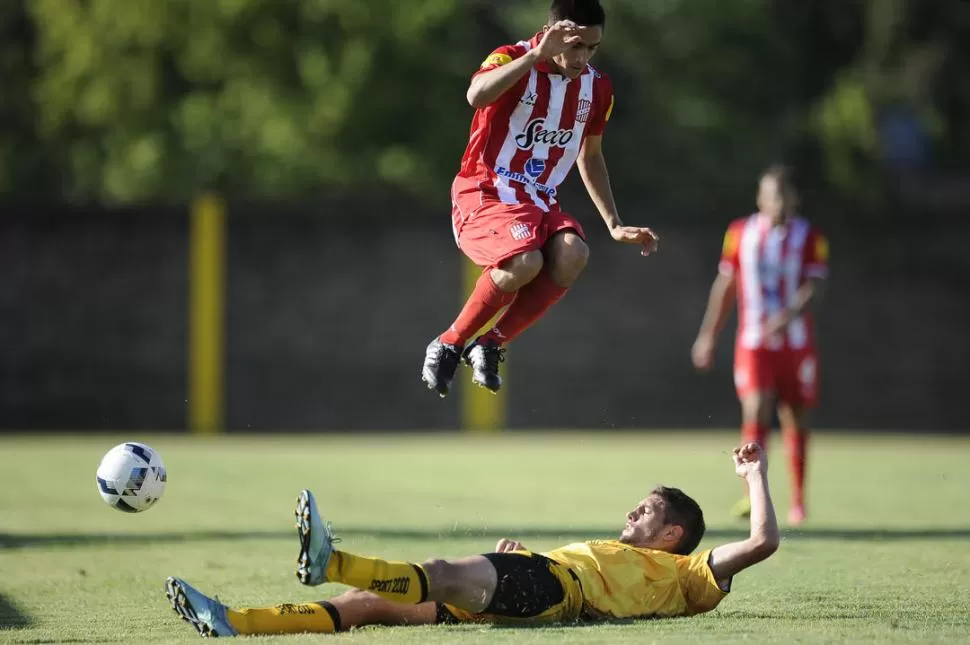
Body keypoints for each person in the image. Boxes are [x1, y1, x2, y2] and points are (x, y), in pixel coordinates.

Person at [164, 443, 779, 637]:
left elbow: (762, 543)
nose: (632, 511)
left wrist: (754, 476)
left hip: (553, 590)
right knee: (369, 607)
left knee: (436, 567)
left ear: (673, 533)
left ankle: (333, 560)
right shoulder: (624, 553)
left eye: (646, 509)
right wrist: (518, 562)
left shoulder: (688, 574)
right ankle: (235, 622)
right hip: (536, 579)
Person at [421, 0, 659, 398]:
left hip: (539, 202)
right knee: (525, 260)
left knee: (573, 254)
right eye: (576, 45)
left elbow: (591, 154)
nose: (582, 57)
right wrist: (536, 55)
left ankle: (491, 343)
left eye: (592, 48)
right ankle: (448, 342)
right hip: (485, 192)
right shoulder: (512, 57)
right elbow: (476, 96)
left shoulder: (598, 88)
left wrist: (614, 224)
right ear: (554, 33)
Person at [691, 165, 829, 526]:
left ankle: (798, 501)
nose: (778, 202)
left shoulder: (810, 236)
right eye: (771, 195)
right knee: (756, 408)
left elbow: (815, 287)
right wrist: (708, 335)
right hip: (752, 342)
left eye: (784, 195)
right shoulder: (740, 233)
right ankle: (751, 496)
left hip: (796, 345)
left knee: (795, 416)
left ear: (794, 199)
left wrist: (786, 317)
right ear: (760, 198)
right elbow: (725, 286)